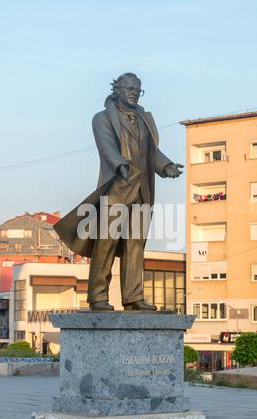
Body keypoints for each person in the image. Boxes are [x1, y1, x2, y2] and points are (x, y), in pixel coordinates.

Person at [54, 73, 183, 311]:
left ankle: (133, 297)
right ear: (117, 90)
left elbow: (152, 152)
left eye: (138, 89)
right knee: (107, 244)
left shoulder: (144, 119)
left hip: (142, 190)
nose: (134, 92)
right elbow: (106, 147)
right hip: (116, 189)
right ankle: (97, 296)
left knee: (136, 244)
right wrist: (118, 163)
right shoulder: (102, 118)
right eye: (129, 88)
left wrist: (167, 166)